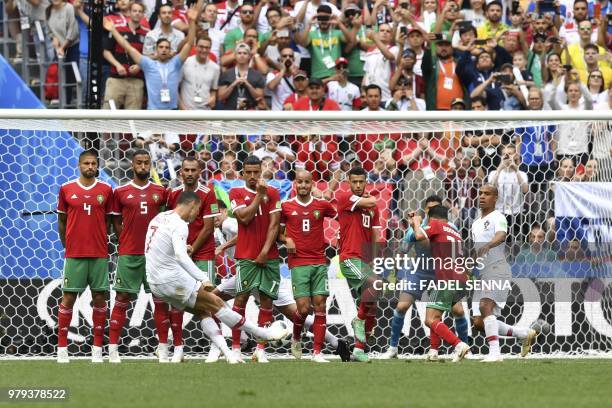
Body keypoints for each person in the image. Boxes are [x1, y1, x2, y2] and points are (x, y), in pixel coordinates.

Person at [144, 191, 289, 365]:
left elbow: (162, 246)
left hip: (155, 282)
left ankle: (228, 354)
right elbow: (180, 257)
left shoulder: (160, 217)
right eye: (197, 210)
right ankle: (263, 334)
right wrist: (203, 278)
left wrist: (185, 248)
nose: (197, 215)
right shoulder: (180, 224)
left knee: (203, 310)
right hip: (172, 278)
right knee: (216, 303)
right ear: (192, 205)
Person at [380, 196, 468, 360]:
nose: (431, 210)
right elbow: (403, 250)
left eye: (435, 207)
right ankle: (392, 348)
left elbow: (431, 242)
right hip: (420, 271)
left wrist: (415, 224)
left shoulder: (447, 226)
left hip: (441, 273)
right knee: (401, 307)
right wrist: (394, 273)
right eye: (429, 207)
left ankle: (451, 348)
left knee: (457, 311)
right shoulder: (418, 228)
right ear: (426, 210)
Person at [107, 150, 167, 364]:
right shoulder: (120, 191)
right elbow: (115, 221)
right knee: (122, 299)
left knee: (159, 301)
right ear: (132, 165)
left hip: (154, 255)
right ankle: (113, 350)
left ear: (150, 166)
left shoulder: (161, 191)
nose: (142, 166)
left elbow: (165, 220)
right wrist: (125, 240)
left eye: (146, 163)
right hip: (129, 254)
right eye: (139, 163)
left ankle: (163, 349)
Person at [56, 150, 113, 363]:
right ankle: (62, 349)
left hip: (98, 253)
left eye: (93, 164)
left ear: (97, 166)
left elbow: (108, 220)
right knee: (68, 298)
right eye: (86, 163)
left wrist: (99, 238)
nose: (90, 167)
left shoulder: (106, 189)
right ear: (79, 165)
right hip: (75, 254)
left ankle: (97, 349)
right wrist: (67, 245)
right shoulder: (66, 188)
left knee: (100, 298)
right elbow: (61, 221)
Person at [471, 184, 537, 362]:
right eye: (481, 193)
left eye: (487, 194)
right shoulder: (475, 223)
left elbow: (501, 234)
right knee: (478, 322)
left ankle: (495, 354)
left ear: (495, 198)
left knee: (486, 307)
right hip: (484, 273)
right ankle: (523, 334)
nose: (482, 196)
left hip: (498, 268)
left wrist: (488, 246)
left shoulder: (497, 217)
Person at [163, 157, 219, 363]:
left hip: (203, 253)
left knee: (208, 300)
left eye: (193, 170)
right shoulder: (173, 194)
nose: (189, 173)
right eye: (186, 170)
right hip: (179, 255)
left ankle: (216, 346)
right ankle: (178, 348)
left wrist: (192, 248)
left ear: (200, 172)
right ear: (180, 173)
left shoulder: (208, 193)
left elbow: (209, 226)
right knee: (176, 301)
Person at [228, 155, 282, 363]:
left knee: (267, 302)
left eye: (255, 172)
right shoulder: (236, 192)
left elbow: (274, 225)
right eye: (248, 172)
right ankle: (235, 348)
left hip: (269, 257)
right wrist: (259, 196)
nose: (252, 176)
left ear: (261, 172)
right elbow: (244, 218)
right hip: (246, 256)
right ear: (242, 173)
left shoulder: (274, 192)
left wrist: (265, 251)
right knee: (240, 300)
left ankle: (261, 349)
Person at [279, 170, 336, 363]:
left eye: (307, 182)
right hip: (298, 263)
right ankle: (296, 337)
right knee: (303, 310)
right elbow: (276, 232)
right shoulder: (286, 206)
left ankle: (317, 353)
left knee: (321, 306)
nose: (303, 185)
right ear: (295, 184)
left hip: (319, 261)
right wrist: (286, 239)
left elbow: (341, 216)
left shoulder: (322, 205)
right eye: (300, 182)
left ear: (312, 184)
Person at [103, 1, 199, 110]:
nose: (163, 50)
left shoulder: (175, 63)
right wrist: (113, 30)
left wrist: (192, 21)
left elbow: (190, 43)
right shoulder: (148, 64)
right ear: (156, 50)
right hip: (153, 110)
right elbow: (128, 47)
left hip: (172, 110)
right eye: (161, 47)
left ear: (171, 50)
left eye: (167, 48)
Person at [411, 205, 470, 362]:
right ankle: (433, 351)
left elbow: (418, 236)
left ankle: (459, 345)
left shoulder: (436, 225)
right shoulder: (454, 232)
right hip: (461, 278)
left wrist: (416, 222)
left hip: (447, 279)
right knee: (437, 314)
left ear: (431, 218)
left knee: (430, 319)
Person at [336, 166, 382, 363]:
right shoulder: (346, 199)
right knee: (373, 285)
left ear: (366, 182)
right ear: (348, 181)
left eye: (361, 182)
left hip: (364, 260)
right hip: (349, 258)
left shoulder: (373, 210)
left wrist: (373, 257)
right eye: (354, 182)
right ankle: (358, 321)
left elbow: (375, 234)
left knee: (370, 304)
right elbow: (372, 200)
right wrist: (370, 199)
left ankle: (358, 350)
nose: (357, 185)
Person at [103, 1, 149, 110]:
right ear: (129, 12)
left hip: (136, 80)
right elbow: (106, 51)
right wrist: (117, 65)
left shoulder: (147, 33)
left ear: (143, 15)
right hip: (116, 79)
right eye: (134, 11)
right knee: (108, 114)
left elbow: (149, 56)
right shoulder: (117, 29)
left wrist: (139, 66)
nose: (137, 13)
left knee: (133, 119)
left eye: (140, 11)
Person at [217, 42, 266, 110]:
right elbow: (221, 97)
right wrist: (233, 84)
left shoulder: (256, 75)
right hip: (230, 113)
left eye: (245, 53)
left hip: (250, 113)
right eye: (239, 53)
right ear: (235, 56)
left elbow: (260, 97)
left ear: (249, 56)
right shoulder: (227, 74)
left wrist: (248, 85)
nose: (242, 55)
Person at [179, 35, 220, 110]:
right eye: (201, 47)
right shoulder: (186, 63)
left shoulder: (215, 68)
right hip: (187, 110)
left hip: (205, 111)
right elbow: (176, 87)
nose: (204, 50)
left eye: (207, 48)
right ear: (196, 47)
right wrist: (182, 108)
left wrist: (213, 97)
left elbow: (214, 89)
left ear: (210, 49)